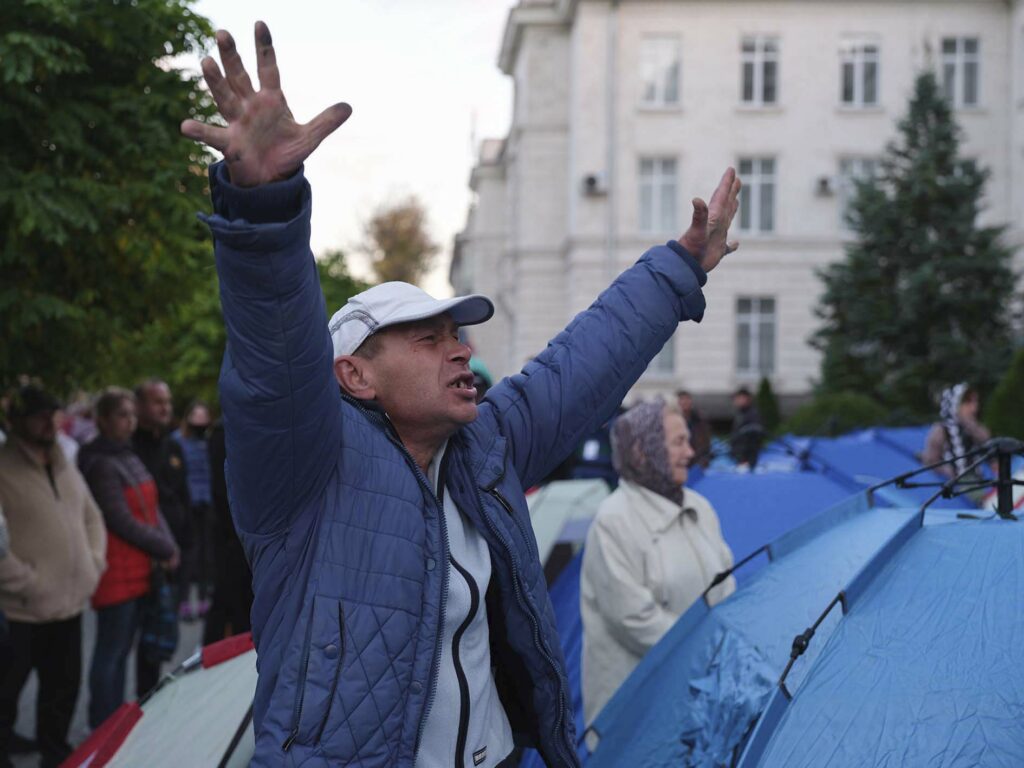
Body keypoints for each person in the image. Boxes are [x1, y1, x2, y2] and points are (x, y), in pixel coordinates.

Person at [179, 22, 740, 767]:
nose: (461, 350)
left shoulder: (485, 446)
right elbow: (273, 353)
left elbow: (581, 362)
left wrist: (679, 269)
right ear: (354, 374)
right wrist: (264, 207)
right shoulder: (305, 469)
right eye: (428, 337)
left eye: (458, 333)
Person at [579, 399, 735, 726]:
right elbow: (633, 619)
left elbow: (727, 585)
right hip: (639, 716)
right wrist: (707, 648)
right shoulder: (613, 520)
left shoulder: (701, 508)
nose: (690, 453)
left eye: (688, 441)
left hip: (700, 702)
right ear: (642, 451)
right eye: (678, 442)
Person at [0, 386, 107, 768]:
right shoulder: (3, 466)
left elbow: (92, 516)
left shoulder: (64, 462)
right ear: (16, 421)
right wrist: (26, 583)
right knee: (6, 697)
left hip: (69, 606)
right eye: (38, 415)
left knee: (62, 694)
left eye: (52, 413)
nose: (49, 422)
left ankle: (55, 755)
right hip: (21, 611)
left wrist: (94, 563)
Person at [78, 388, 179, 729]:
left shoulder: (126, 453)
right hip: (116, 570)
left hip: (139, 568)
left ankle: (119, 721)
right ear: (103, 420)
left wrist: (167, 543)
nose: (129, 421)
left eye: (131, 415)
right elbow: (119, 518)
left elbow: (151, 506)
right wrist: (163, 547)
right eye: (122, 414)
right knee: (112, 654)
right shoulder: (99, 461)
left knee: (127, 650)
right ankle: (104, 725)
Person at [201, 420, 253, 644]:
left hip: (246, 539)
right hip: (235, 540)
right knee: (231, 607)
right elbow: (224, 493)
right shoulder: (225, 433)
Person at [132, 380, 191, 561]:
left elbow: (183, 492)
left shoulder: (173, 446)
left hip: (178, 543)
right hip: (142, 543)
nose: (165, 408)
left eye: (168, 402)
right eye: (158, 402)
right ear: (139, 406)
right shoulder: (128, 448)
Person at [171, 401, 214, 620]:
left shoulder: (208, 442)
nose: (200, 420)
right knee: (189, 553)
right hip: (187, 504)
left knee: (207, 554)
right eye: (196, 416)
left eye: (204, 416)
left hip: (207, 503)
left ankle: (205, 598)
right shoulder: (177, 442)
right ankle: (184, 600)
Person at [922, 383, 992, 480]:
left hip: (976, 479)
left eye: (975, 402)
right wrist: (944, 470)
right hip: (951, 482)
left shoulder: (973, 427)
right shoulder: (941, 429)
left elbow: (986, 439)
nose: (974, 407)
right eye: (968, 403)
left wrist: (968, 422)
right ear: (956, 404)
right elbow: (931, 460)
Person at [676, 389, 712, 468]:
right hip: (680, 463)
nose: (685, 402)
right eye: (682, 399)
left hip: (697, 462)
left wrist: (703, 462)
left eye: (687, 399)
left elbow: (706, 444)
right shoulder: (673, 421)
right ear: (678, 402)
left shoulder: (700, 420)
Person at [729, 386, 763, 468]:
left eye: (741, 398)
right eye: (737, 398)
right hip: (738, 455)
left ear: (748, 399)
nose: (738, 401)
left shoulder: (753, 414)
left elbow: (753, 438)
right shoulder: (739, 413)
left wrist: (744, 459)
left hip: (746, 457)